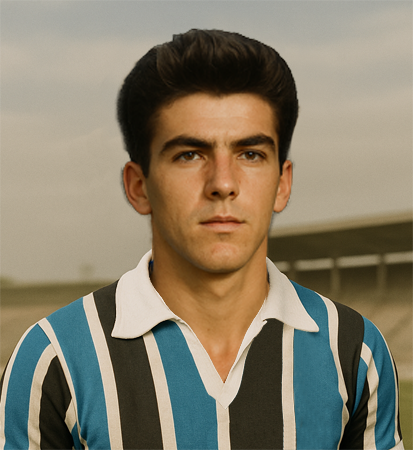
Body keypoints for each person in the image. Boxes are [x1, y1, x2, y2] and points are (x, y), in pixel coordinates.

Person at [0, 29, 403, 450]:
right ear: (138, 186)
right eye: (189, 155)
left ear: (282, 184)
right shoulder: (54, 358)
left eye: (250, 154)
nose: (223, 183)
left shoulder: (356, 351)